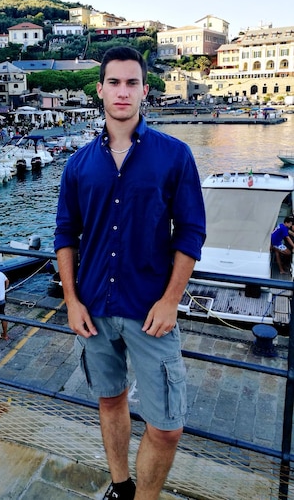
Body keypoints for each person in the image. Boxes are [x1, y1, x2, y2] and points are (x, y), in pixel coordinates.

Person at [54, 46, 206, 500]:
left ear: (145, 90)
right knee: (110, 399)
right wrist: (71, 299)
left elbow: (192, 231)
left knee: (167, 427)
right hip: (95, 308)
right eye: (114, 82)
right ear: (99, 89)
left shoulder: (174, 156)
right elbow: (66, 234)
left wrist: (171, 300)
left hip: (150, 311)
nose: (123, 91)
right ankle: (120, 487)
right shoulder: (78, 164)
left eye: (132, 83)